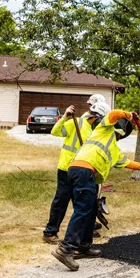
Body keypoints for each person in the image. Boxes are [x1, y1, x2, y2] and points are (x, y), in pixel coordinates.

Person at [51, 105, 140, 271]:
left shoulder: (113, 148)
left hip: (82, 172)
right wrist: (129, 115)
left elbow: (127, 163)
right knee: (83, 210)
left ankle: (83, 246)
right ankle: (66, 248)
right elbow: (113, 114)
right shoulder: (103, 130)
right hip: (82, 170)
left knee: (91, 209)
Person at [42, 97, 105, 244]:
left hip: (82, 171)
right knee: (61, 200)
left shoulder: (96, 131)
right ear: (95, 116)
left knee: (82, 203)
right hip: (66, 168)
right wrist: (64, 117)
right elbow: (55, 132)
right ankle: (50, 233)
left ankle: (82, 235)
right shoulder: (76, 123)